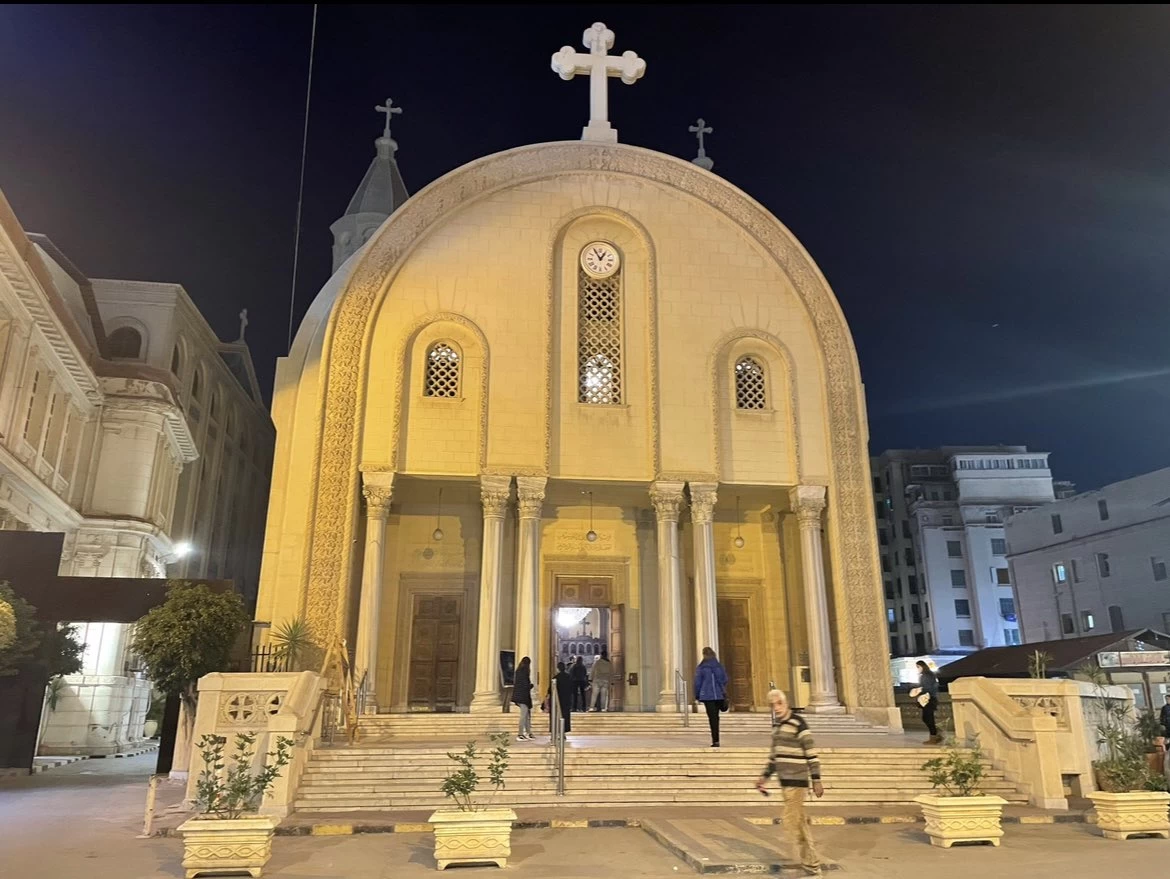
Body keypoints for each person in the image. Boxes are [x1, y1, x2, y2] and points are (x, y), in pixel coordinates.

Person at [756, 689, 823, 877]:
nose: (776, 708)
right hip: (785, 782)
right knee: (800, 822)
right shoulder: (777, 728)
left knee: (790, 820)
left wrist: (816, 779)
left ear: (786, 704)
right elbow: (774, 757)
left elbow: (811, 752)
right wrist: (764, 777)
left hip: (798, 780)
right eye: (772, 705)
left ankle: (800, 856)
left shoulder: (798, 723)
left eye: (779, 703)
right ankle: (811, 864)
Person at [694, 646, 729, 747]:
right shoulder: (719, 666)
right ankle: (716, 739)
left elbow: (697, 683)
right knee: (716, 718)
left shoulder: (702, 668)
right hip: (719, 695)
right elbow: (725, 679)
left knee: (712, 718)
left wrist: (697, 695)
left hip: (707, 696)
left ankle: (715, 740)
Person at [912, 660, 941, 745]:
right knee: (928, 717)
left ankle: (934, 736)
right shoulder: (930, 674)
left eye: (918, 667)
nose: (918, 669)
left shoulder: (925, 676)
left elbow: (927, 687)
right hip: (931, 698)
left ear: (921, 666)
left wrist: (918, 690)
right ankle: (935, 734)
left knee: (928, 718)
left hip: (928, 699)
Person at [548, 661, 573, 739]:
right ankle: (563, 733)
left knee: (557, 716)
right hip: (566, 700)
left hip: (557, 701)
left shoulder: (555, 678)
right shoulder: (568, 677)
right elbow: (572, 688)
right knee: (565, 717)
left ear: (558, 668)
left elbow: (550, 690)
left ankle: (556, 733)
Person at [512, 656, 534, 741]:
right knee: (523, 716)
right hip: (523, 696)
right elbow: (525, 685)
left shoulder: (518, 671)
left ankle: (529, 733)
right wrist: (531, 686)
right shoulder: (524, 671)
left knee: (526, 716)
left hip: (520, 696)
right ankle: (520, 734)